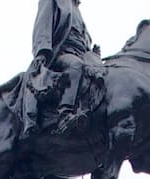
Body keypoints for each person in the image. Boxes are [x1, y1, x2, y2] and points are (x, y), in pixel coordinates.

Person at [28, 0, 99, 133]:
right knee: (75, 66)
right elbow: (43, 23)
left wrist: (92, 52)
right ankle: (64, 115)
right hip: (61, 52)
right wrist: (42, 51)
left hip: (82, 54)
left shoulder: (76, 8)